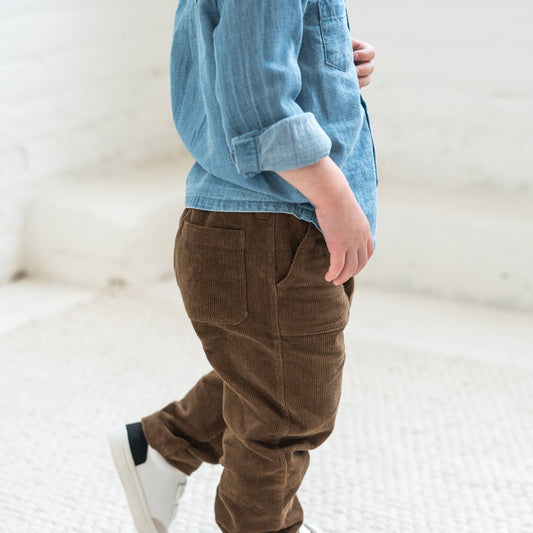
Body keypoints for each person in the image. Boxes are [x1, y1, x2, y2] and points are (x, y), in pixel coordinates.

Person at [107, 0, 378, 531]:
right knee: (285, 416)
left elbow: (236, 61)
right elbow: (256, 98)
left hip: (268, 225)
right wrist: (334, 196)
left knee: (277, 378)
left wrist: (330, 62)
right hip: (269, 229)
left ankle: (161, 446)